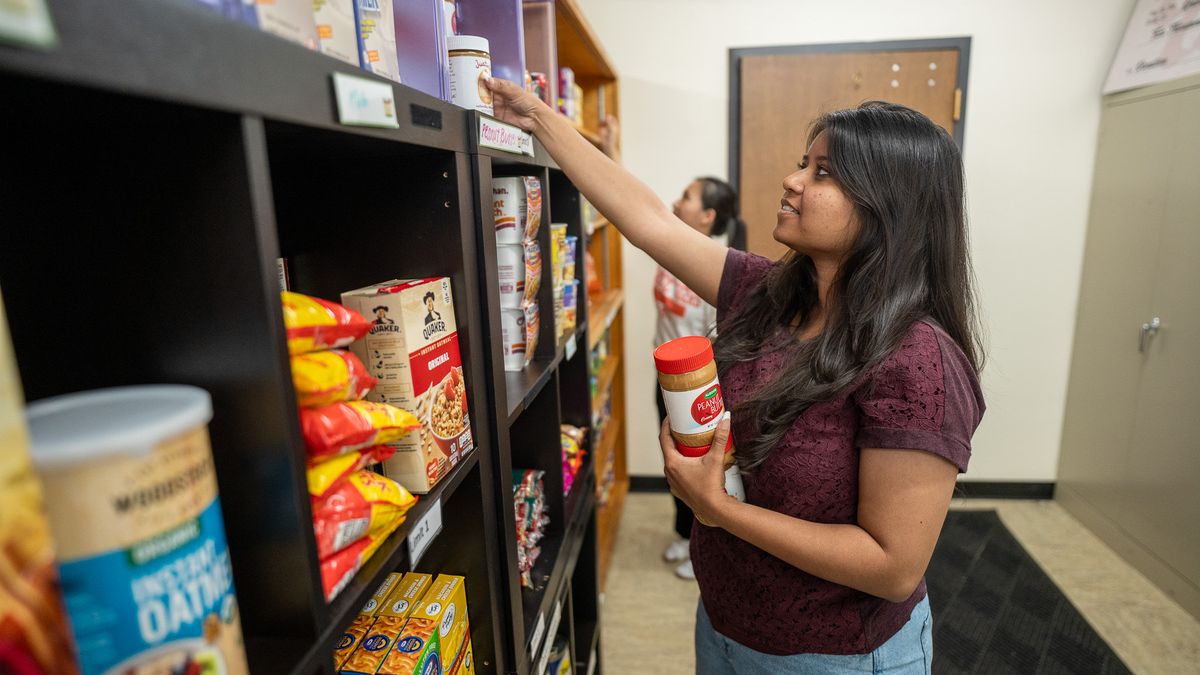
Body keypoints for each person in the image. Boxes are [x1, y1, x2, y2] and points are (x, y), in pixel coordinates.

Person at [487, 76, 984, 674]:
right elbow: (650, 222)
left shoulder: (916, 358)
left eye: (823, 173)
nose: (792, 180)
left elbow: (892, 565)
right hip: (727, 623)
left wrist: (721, 511)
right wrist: (540, 119)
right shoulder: (770, 292)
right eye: (805, 163)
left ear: (888, 208)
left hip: (831, 656)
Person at [657, 176, 746, 580]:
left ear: (708, 216)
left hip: (696, 391)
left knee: (703, 466)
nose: (678, 201)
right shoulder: (671, 249)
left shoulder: (720, 269)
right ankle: (685, 533)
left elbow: (726, 343)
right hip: (663, 379)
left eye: (687, 197)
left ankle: (706, 543)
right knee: (673, 462)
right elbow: (640, 214)